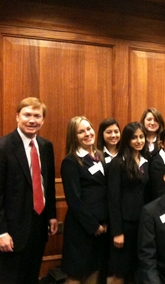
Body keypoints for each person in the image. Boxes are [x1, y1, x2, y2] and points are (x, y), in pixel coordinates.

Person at [0, 97, 57, 284]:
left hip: (38, 227)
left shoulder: (46, 146)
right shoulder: (0, 148)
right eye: (27, 115)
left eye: (37, 116)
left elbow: (47, 185)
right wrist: (0, 232)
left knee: (30, 277)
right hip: (11, 232)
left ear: (43, 120)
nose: (32, 120)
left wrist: (51, 215)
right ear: (17, 116)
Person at [60, 116, 109, 284]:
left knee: (94, 270)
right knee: (76, 274)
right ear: (74, 137)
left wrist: (105, 222)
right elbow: (74, 200)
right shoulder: (71, 161)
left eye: (89, 129)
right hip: (82, 228)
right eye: (81, 132)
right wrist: (93, 225)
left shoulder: (100, 156)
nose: (87, 133)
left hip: (102, 227)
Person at [107, 122, 150, 284]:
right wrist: (117, 231)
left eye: (141, 137)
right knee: (120, 271)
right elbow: (113, 198)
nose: (139, 141)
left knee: (136, 269)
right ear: (126, 140)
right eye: (134, 138)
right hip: (124, 225)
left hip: (141, 223)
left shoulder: (146, 161)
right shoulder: (117, 163)